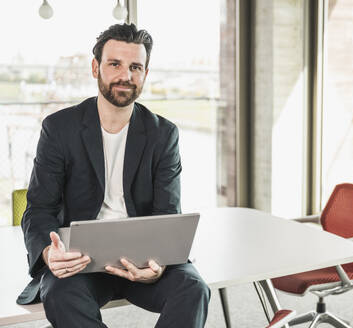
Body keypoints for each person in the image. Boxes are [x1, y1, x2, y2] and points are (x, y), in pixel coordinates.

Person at [16, 23, 210, 328]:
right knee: (59, 294)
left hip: (146, 259)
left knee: (194, 289)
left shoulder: (163, 134)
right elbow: (39, 208)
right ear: (96, 68)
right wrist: (47, 253)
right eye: (115, 64)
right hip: (83, 263)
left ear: (145, 73)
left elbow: (168, 213)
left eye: (135, 66)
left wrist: (158, 263)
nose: (126, 75)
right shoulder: (59, 129)